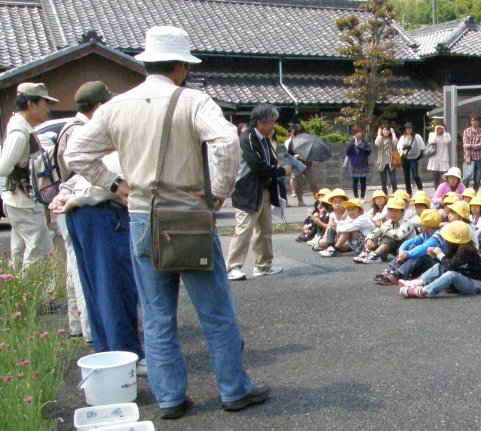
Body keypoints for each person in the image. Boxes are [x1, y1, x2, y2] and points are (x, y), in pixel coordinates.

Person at [65, 26, 267, 419]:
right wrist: (218, 191)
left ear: (147, 63)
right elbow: (226, 142)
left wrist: (115, 185)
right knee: (215, 312)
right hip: (189, 216)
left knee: (157, 317)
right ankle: (233, 390)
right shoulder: (193, 100)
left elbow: (76, 153)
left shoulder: (116, 106)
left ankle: (170, 398)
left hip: (142, 216)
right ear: (180, 67)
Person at [52, 81, 146, 365]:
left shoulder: (77, 129)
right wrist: (77, 196)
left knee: (96, 290)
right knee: (114, 289)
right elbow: (110, 180)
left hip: (81, 213)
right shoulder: (108, 131)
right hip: (101, 214)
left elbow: (79, 173)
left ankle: (107, 355)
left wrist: (67, 193)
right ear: (102, 106)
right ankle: (126, 356)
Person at [225, 104, 290, 281]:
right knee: (244, 230)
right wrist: (281, 171)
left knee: (264, 230)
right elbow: (257, 166)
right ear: (260, 122)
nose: (274, 126)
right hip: (248, 190)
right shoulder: (247, 138)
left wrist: (281, 167)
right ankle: (232, 267)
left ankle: (263, 265)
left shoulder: (264, 139)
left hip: (264, 189)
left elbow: (270, 163)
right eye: (272, 122)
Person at [0, 82, 57, 267]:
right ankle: (32, 286)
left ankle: (17, 283)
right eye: (45, 103)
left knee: (21, 251)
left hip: (21, 202)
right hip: (24, 203)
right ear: (31, 104)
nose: (48, 109)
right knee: (39, 253)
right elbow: (3, 168)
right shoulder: (19, 133)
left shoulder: (21, 127)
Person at [399, 221, 481, 298]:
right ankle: (417, 283)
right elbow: (446, 263)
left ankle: (422, 291)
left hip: (473, 285)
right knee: (439, 266)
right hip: (464, 277)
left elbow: (449, 266)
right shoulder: (456, 247)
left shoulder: (466, 250)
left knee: (451, 274)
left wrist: (440, 254)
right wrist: (434, 256)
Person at [285, 123, 319, 206]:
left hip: (306, 163)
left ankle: (318, 200)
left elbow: (312, 151)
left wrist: (310, 158)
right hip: (297, 163)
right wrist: (295, 156)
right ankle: (300, 201)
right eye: (298, 133)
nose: (300, 134)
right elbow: (289, 154)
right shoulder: (292, 142)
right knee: (299, 183)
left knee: (313, 183)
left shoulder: (308, 140)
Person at [397, 122, 424, 195]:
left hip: (414, 158)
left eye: (410, 128)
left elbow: (422, 146)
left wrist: (420, 155)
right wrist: (404, 147)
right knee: (406, 176)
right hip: (405, 158)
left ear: (412, 129)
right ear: (405, 130)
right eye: (407, 129)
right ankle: (409, 192)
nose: (408, 130)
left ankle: (420, 189)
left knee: (415, 175)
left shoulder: (417, 137)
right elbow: (399, 147)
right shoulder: (402, 138)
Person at [346, 126, 371, 199]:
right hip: (354, 165)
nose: (359, 134)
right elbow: (347, 153)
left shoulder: (364, 142)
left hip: (363, 165)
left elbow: (369, 151)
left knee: (363, 181)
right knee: (355, 181)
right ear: (354, 134)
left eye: (360, 132)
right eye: (357, 132)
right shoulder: (352, 142)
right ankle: (356, 197)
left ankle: (362, 197)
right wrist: (350, 146)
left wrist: (362, 149)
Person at [462, 116, 481, 190]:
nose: (473, 122)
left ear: (478, 122)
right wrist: (467, 157)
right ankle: (464, 193)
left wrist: (469, 145)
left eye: (475, 120)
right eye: (472, 120)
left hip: (479, 158)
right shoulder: (466, 131)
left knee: (477, 179)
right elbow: (465, 145)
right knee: (466, 179)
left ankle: (475, 193)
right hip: (469, 158)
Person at [426, 121, 452, 189]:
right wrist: (435, 132)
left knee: (444, 177)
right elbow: (432, 141)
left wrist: (444, 132)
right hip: (434, 158)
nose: (439, 129)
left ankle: (445, 190)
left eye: (441, 128)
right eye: (438, 128)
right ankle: (437, 191)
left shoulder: (447, 135)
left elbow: (447, 141)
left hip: (443, 158)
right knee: (436, 177)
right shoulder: (432, 134)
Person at [374, 125, 398, 195]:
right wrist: (379, 134)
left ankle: (395, 194)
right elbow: (377, 143)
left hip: (391, 162)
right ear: (382, 130)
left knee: (393, 180)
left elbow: (396, 143)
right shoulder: (380, 138)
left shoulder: (391, 138)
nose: (386, 132)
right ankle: (385, 195)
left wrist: (393, 133)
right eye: (384, 130)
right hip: (382, 162)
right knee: (384, 181)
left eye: (387, 130)